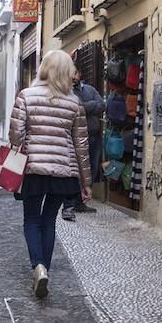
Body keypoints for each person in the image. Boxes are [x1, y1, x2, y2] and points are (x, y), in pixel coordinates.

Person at [9, 49, 91, 297]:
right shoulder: (74, 103)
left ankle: (39, 267)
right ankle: (45, 269)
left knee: (31, 220)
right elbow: (82, 146)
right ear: (68, 73)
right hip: (63, 172)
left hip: (33, 169)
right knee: (49, 221)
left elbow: (15, 137)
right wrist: (86, 182)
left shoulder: (26, 96)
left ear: (43, 68)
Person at [61, 69, 104, 221]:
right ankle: (70, 204)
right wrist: (91, 105)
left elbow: (102, 106)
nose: (72, 76)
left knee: (90, 168)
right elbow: (76, 109)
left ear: (80, 74)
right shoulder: (65, 92)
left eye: (75, 73)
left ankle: (81, 202)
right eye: (69, 73)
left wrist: (87, 106)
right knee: (75, 170)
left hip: (94, 136)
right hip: (75, 137)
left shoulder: (90, 89)